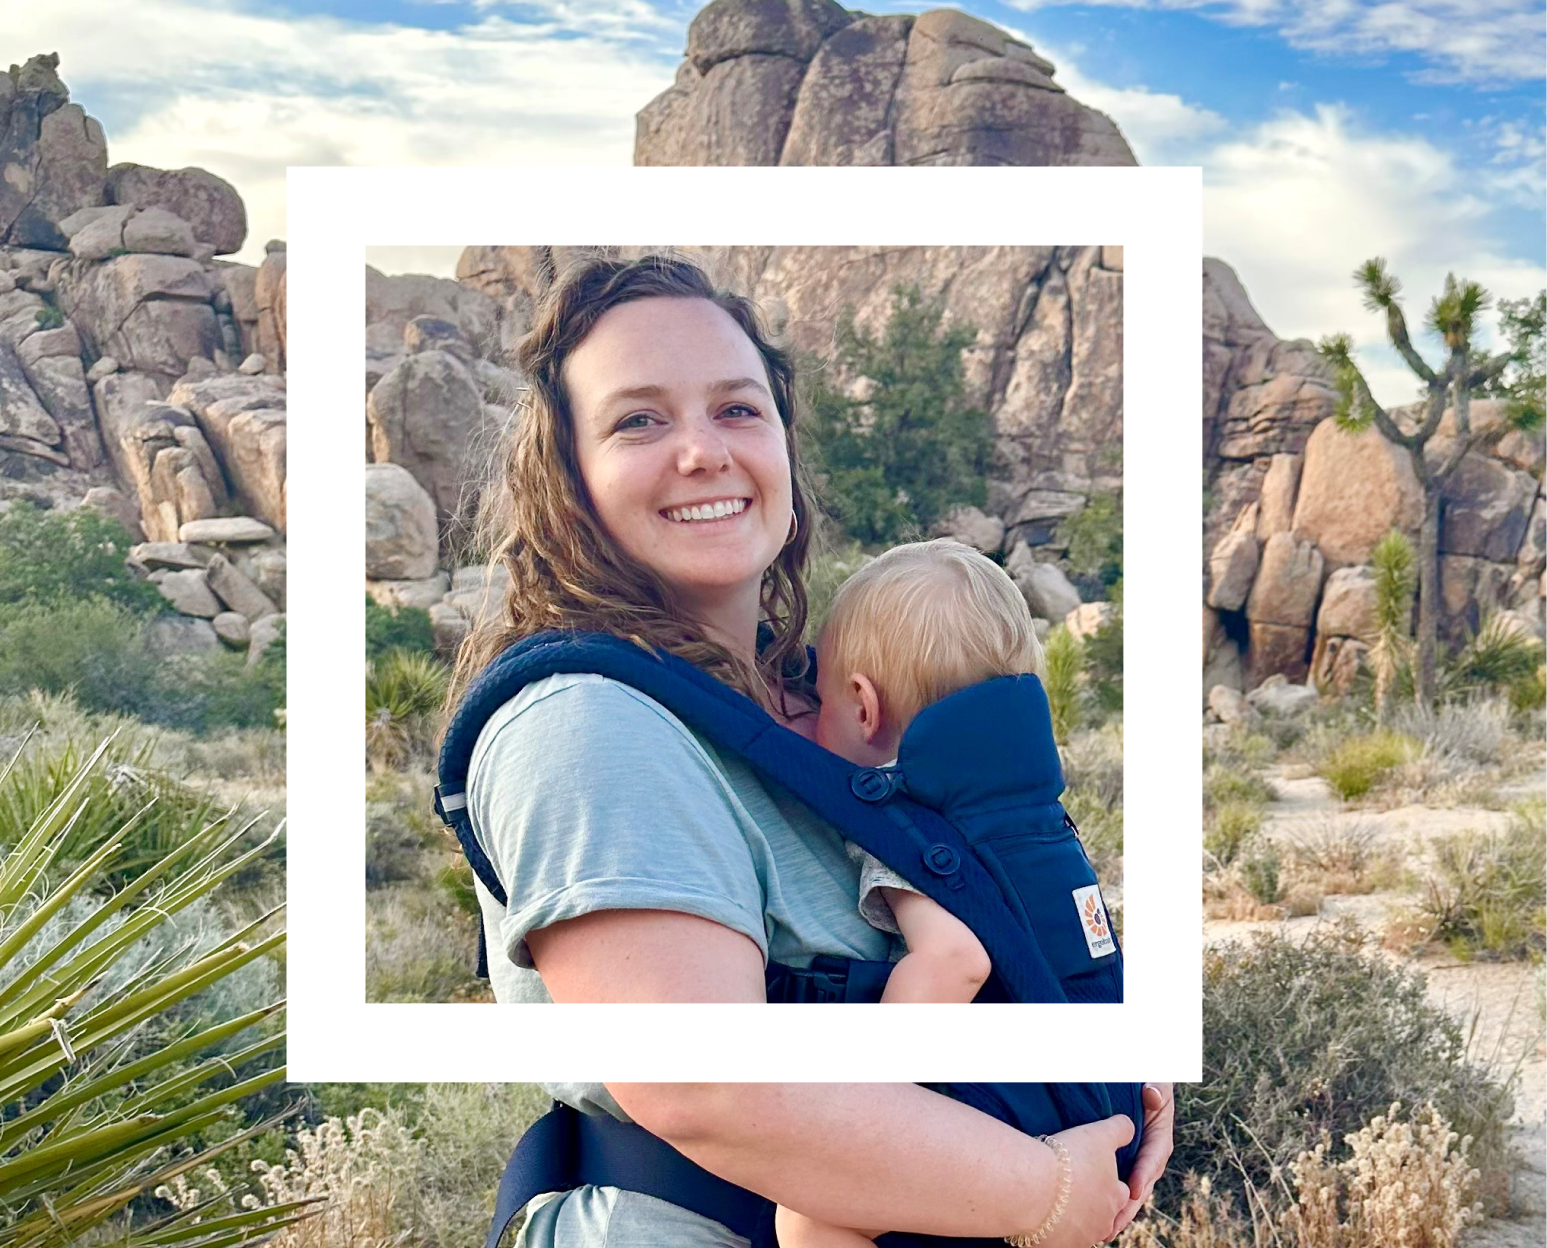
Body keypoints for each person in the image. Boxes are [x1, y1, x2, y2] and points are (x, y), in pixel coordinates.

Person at [448, 253, 1171, 1243]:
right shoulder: (584, 723)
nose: (701, 451)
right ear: (568, 474)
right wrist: (1044, 1192)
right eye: (638, 419)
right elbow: (701, 1087)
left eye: (738, 409)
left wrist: (1095, 1064)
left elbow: (1007, 882)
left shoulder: (825, 709)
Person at [810, 538, 1051, 1007]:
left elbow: (957, 960)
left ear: (863, 708)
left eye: (820, 700)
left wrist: (865, 1078)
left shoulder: (907, 827)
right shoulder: (1033, 815)